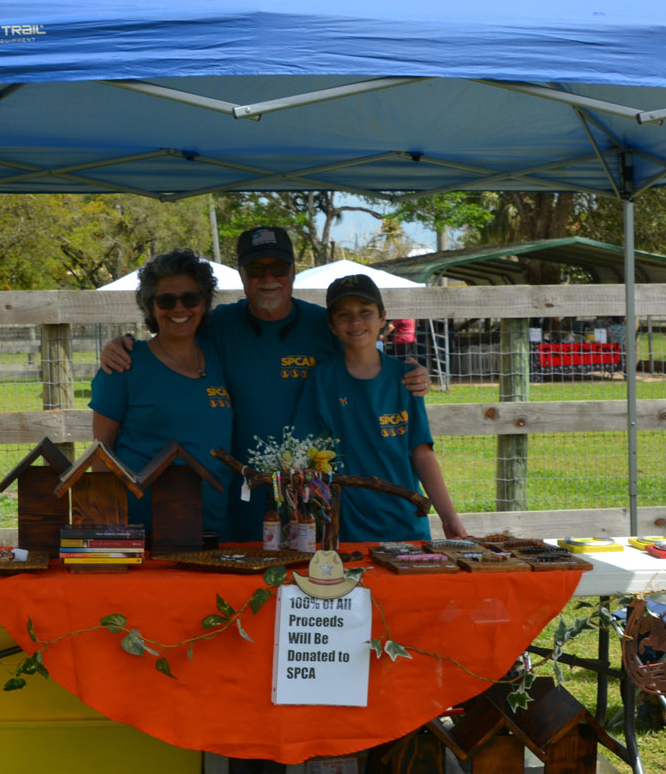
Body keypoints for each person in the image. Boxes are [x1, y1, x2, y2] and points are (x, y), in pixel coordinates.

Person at [101, 226, 431, 541]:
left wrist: (412, 373)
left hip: (314, 494)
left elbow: (368, 364)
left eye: (279, 267)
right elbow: (174, 330)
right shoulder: (219, 326)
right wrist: (123, 344)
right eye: (257, 269)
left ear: (293, 272)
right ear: (242, 275)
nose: (269, 278)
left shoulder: (324, 325)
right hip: (240, 496)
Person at [295, 273, 466, 543]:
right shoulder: (322, 380)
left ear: (382, 317)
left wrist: (449, 516)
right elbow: (305, 458)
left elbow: (422, 453)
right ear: (331, 324)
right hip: (347, 528)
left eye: (365, 312)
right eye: (344, 315)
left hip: (406, 523)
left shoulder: (406, 378)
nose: (356, 322)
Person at [88, 249, 233, 538]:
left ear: (204, 303)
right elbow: (100, 456)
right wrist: (105, 534)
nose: (179, 309)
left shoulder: (221, 357)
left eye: (190, 298)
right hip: (143, 531)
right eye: (166, 300)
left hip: (214, 529)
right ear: (151, 306)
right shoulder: (124, 365)